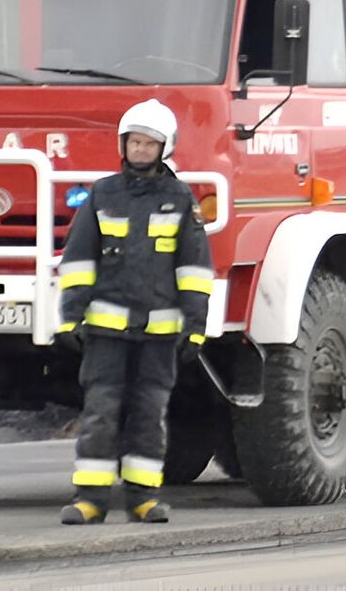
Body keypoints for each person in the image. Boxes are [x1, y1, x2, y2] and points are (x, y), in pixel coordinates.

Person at [55, 99, 213, 525]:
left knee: (149, 416)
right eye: (135, 142)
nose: (141, 150)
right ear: (122, 145)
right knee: (101, 413)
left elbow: (195, 271)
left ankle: (143, 499)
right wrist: (70, 317)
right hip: (105, 335)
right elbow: (77, 261)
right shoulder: (102, 194)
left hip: (159, 337)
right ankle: (90, 500)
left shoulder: (180, 199)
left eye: (150, 143)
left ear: (165, 149)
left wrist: (195, 329)